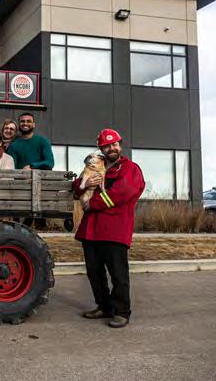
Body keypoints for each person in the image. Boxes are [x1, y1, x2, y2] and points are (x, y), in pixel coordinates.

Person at [72, 128, 145, 329]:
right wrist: (85, 184)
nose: (111, 148)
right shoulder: (95, 165)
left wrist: (92, 203)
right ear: (101, 148)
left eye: (114, 144)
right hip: (91, 230)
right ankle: (104, 306)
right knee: (94, 272)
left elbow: (123, 192)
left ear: (120, 145)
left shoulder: (129, 169)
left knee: (118, 274)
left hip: (114, 230)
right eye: (106, 145)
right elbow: (76, 186)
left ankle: (121, 312)